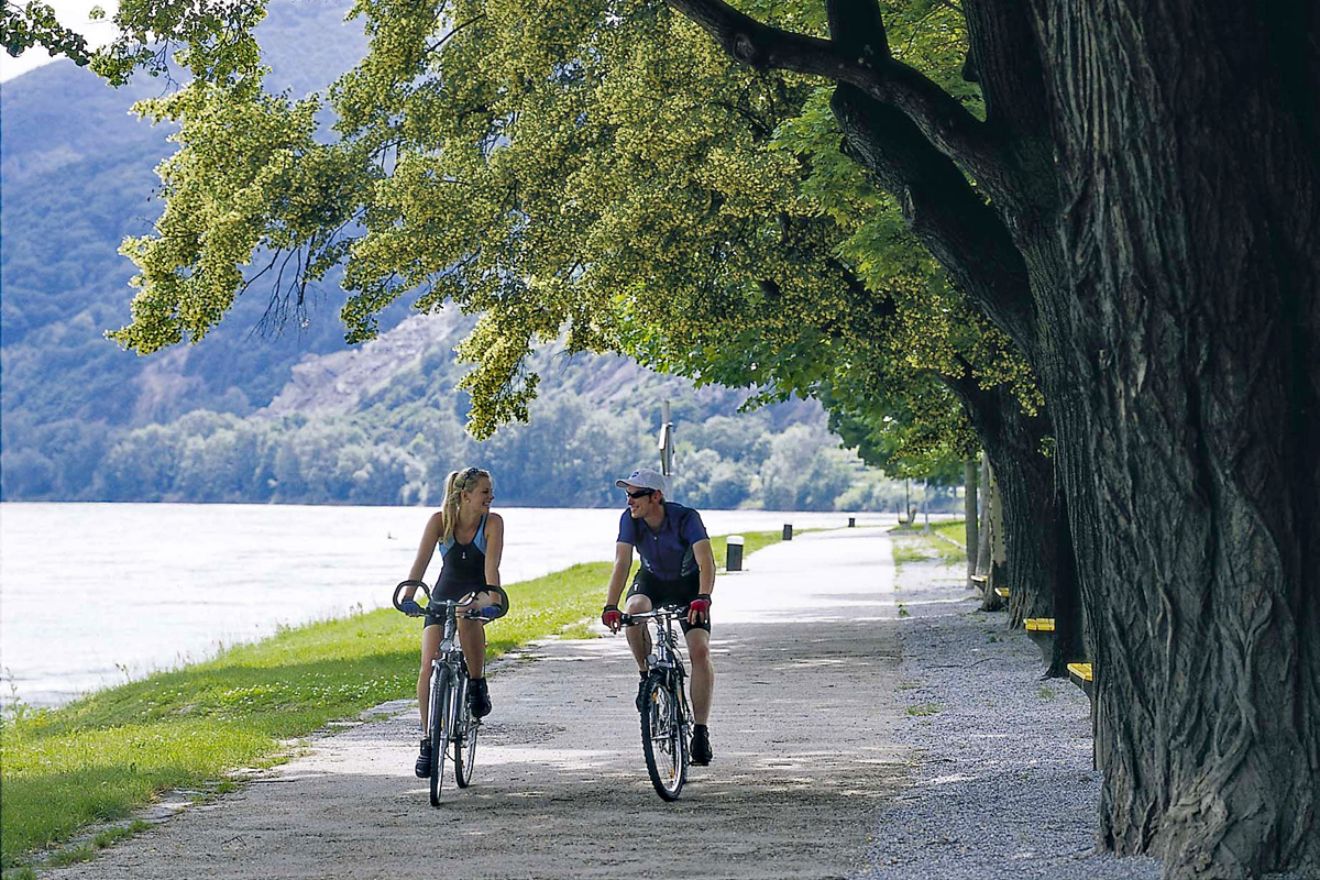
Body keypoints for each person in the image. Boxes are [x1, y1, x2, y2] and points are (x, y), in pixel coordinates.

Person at [601, 467, 717, 765]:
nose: (630, 501)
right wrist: (610, 605)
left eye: (636, 495)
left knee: (700, 651)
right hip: (652, 580)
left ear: (656, 496)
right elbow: (622, 562)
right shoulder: (630, 520)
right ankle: (645, 675)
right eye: (627, 495)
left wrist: (703, 598)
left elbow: (706, 561)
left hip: (688, 585)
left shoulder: (686, 518)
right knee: (634, 610)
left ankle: (700, 732)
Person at [398, 466, 504, 778]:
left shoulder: (492, 523)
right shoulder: (439, 521)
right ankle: (428, 740)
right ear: (465, 495)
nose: (490, 497)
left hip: (479, 591)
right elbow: (419, 565)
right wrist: (408, 594)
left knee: (464, 610)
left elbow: (492, 568)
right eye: (485, 492)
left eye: (490, 491)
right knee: (428, 664)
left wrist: (494, 600)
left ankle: (476, 684)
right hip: (445, 591)